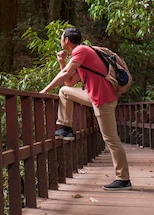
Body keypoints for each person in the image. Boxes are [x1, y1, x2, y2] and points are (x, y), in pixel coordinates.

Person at [40, 27, 132, 191]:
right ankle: (66, 128)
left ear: (66, 40)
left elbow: (66, 73)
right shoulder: (80, 54)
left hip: (103, 99)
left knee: (111, 140)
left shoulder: (81, 50)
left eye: (62, 37)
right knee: (65, 92)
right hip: (94, 96)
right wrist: (62, 61)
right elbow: (69, 83)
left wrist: (45, 90)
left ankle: (123, 179)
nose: (61, 40)